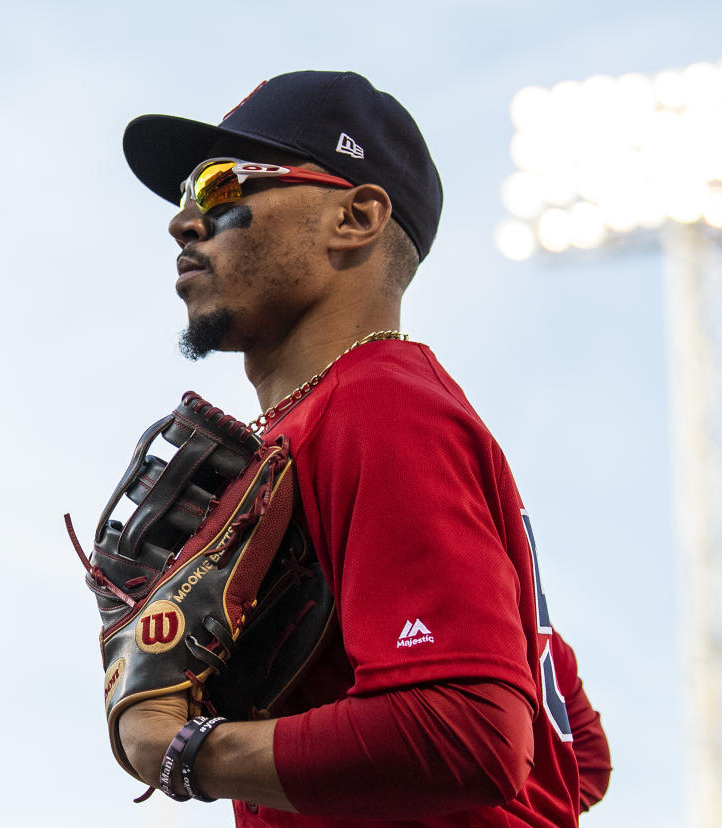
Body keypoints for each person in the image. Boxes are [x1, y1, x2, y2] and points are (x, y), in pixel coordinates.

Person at [114, 70, 610, 827]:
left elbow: (475, 735)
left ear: (355, 216)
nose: (185, 222)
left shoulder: (377, 405)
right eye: (184, 196)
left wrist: (188, 753)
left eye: (221, 187)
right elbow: (578, 758)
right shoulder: (348, 417)